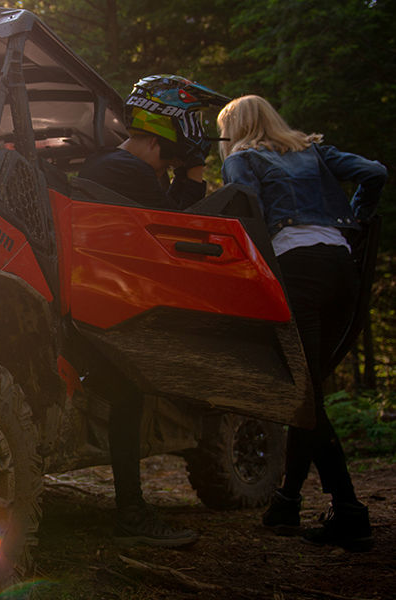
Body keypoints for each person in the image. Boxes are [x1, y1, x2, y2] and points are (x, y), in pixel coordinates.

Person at [218, 95, 387, 552]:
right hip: (341, 268)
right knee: (308, 392)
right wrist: (355, 221)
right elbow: (375, 172)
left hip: (298, 272)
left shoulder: (242, 159)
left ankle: (348, 510)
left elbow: (242, 215)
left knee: (303, 396)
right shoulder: (311, 151)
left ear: (234, 127)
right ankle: (287, 502)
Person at [77, 74, 228, 547]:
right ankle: (131, 516)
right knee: (127, 396)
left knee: (127, 395)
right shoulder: (129, 172)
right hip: (102, 306)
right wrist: (194, 173)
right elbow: (180, 230)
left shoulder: (108, 165)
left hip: (91, 297)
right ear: (170, 125)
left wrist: (185, 174)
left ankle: (131, 512)